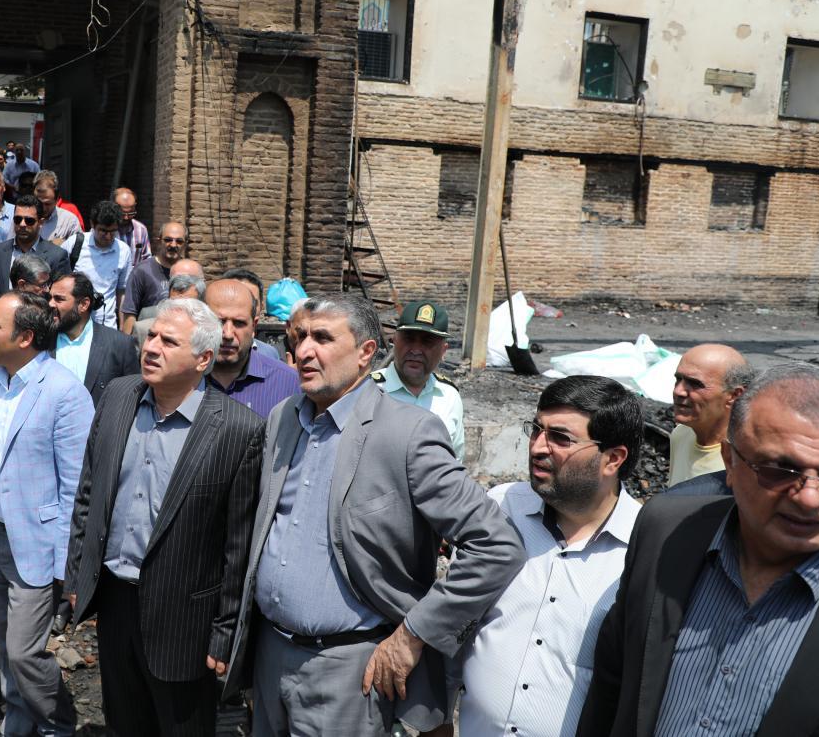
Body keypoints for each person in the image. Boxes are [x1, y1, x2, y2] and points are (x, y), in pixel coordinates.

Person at [224, 293, 524, 736]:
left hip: (349, 670)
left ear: (366, 353)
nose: (304, 351)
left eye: (323, 338)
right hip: (270, 657)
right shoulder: (284, 418)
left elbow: (497, 545)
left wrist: (415, 633)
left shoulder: (407, 433)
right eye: (300, 337)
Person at [578, 363, 819, 736]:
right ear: (730, 461)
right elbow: (613, 681)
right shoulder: (667, 531)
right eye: (779, 470)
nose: (809, 498)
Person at [65, 299, 265, 737]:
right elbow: (88, 494)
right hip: (115, 600)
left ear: (203, 359)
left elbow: (238, 546)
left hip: (184, 619)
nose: (151, 347)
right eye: (151, 335)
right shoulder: (119, 396)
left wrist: (226, 631)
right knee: (123, 722)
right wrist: (78, 575)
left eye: (168, 342)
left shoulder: (238, 430)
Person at [445, 376, 642, 737]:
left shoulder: (642, 549)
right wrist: (437, 718)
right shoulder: (502, 508)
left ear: (613, 459)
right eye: (536, 430)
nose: (537, 447)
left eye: (560, 438)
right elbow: (455, 620)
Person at [0, 292, 92, 737]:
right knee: (2, 637)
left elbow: (77, 488)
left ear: (26, 337)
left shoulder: (64, 393)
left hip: (37, 542)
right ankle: (18, 724)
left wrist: (68, 568)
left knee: (23, 651)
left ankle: (58, 726)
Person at [371, 302, 465, 460]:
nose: (415, 350)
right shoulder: (369, 389)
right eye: (409, 339)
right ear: (394, 341)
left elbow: (455, 460)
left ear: (443, 350)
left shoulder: (449, 396)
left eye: (427, 342)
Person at [205, 279, 300, 420]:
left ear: (254, 326)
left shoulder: (289, 384)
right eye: (219, 322)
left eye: (239, 323)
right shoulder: (181, 379)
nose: (228, 334)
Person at [668, 343, 753, 486]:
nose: (678, 391)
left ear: (734, 395)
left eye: (695, 384)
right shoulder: (681, 435)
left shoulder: (747, 460)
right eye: (678, 379)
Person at [49, 272, 138, 408]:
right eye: (49, 298)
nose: (50, 304)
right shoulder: (40, 341)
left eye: (59, 299)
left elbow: (132, 397)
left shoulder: (119, 345)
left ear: (83, 304)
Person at [0, 194, 71, 313]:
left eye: (29, 220)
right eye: (17, 219)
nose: (22, 224)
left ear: (41, 222)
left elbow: (61, 294)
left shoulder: (57, 256)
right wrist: (3, 309)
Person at [68, 201, 132, 329]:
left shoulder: (123, 251)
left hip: (107, 326)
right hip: (74, 325)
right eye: (103, 231)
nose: (108, 236)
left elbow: (122, 292)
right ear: (92, 224)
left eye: (113, 231)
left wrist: (122, 327)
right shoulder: (75, 244)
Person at [121, 221, 188, 335]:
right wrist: (128, 343)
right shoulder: (142, 271)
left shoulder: (189, 272)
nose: (173, 245)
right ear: (159, 241)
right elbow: (129, 314)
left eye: (179, 241)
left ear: (185, 244)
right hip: (148, 337)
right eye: (168, 240)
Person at [132, 261, 207, 349]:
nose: (183, 280)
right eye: (176, 278)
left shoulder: (209, 326)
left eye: (191, 278)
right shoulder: (146, 324)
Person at [221, 268, 286, 362]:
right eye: (234, 301)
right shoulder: (202, 355)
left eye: (252, 303)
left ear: (261, 307)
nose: (243, 310)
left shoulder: (269, 354)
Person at [33, 171, 82, 243]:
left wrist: (64, 244)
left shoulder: (69, 221)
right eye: (39, 203)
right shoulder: (22, 218)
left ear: (57, 199)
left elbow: (79, 247)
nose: (43, 208)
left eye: (47, 204)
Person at [114, 186, 152, 267]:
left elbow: (146, 258)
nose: (126, 217)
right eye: (122, 214)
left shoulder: (141, 230)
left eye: (130, 213)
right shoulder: (104, 229)